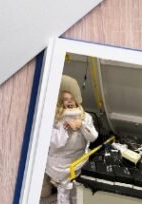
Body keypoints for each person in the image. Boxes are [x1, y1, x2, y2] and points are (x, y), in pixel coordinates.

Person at [42, 75, 98, 204]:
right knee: (62, 190)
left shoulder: (86, 117)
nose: (69, 101)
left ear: (77, 98)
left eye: (72, 98)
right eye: (66, 99)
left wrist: (82, 125)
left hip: (76, 162)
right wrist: (65, 127)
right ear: (61, 100)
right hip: (58, 165)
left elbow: (93, 137)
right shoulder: (55, 118)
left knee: (73, 190)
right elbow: (56, 142)